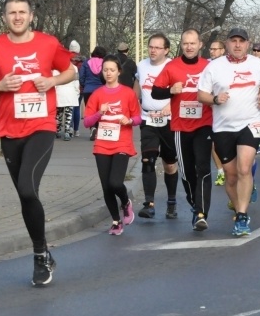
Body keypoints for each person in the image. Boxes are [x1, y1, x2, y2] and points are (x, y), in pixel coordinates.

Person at [0, 0, 75, 286]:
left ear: (31, 16)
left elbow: (70, 70)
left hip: (41, 125)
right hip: (9, 129)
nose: (17, 17)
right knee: (25, 194)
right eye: (11, 12)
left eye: (22, 12)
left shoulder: (47, 43)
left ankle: (39, 255)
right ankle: (43, 250)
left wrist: (53, 81)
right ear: (5, 17)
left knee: (28, 188)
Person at [197, 28, 260, 236]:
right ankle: (239, 205)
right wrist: (214, 99)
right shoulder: (214, 66)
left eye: (241, 41)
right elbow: (201, 94)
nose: (237, 45)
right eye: (233, 41)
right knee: (230, 176)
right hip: (223, 127)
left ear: (248, 44)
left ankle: (241, 216)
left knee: (244, 169)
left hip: (250, 122)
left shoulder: (258, 65)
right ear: (227, 44)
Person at [152, 29, 213, 232]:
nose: (189, 47)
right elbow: (155, 91)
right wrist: (170, 90)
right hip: (180, 126)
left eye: (192, 43)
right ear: (182, 45)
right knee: (186, 172)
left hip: (204, 124)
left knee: (203, 167)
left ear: (200, 45)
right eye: (185, 43)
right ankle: (195, 205)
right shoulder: (172, 67)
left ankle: (201, 212)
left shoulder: (209, 67)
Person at [84, 55, 141, 235]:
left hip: (122, 143)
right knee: (106, 186)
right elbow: (87, 122)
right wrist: (99, 113)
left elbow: (138, 118)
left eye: (112, 70)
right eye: (105, 70)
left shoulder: (128, 93)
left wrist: (129, 120)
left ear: (119, 72)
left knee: (115, 183)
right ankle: (116, 221)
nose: (108, 73)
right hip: (102, 144)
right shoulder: (97, 94)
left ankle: (125, 202)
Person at [134, 33, 181, 219]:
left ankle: (171, 201)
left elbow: (180, 91)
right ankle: (149, 204)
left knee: (169, 164)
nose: (153, 50)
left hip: (169, 121)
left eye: (157, 47)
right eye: (150, 47)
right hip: (148, 119)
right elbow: (137, 84)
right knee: (148, 160)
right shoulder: (142, 65)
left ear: (166, 50)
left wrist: (170, 106)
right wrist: (134, 105)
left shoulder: (174, 66)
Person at [208, 39, 228, 186]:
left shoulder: (229, 65)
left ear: (223, 51)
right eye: (211, 49)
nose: (212, 51)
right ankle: (221, 171)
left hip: (229, 110)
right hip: (211, 109)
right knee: (213, 143)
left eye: (216, 49)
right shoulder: (207, 65)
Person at [79, 46, 107, 140]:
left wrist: (84, 85)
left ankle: (93, 128)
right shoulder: (104, 64)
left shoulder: (86, 63)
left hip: (88, 90)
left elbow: (81, 76)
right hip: (101, 90)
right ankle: (98, 129)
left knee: (90, 111)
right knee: (101, 111)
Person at [54, 63, 80, 141]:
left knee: (59, 114)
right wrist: (77, 92)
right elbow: (76, 82)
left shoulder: (56, 69)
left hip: (59, 92)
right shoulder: (74, 67)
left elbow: (55, 82)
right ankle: (67, 132)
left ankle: (58, 130)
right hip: (70, 92)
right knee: (69, 113)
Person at [69, 40, 85, 137]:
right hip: (80, 87)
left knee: (69, 108)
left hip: (67, 86)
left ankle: (69, 127)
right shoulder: (83, 61)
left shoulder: (66, 59)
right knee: (77, 107)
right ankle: (76, 129)